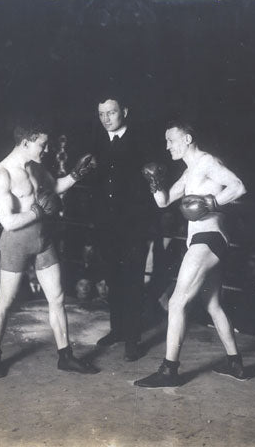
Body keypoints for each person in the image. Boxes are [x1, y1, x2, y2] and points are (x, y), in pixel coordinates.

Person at [134, 119, 247, 388]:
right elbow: (163, 202)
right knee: (213, 305)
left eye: (171, 140)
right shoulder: (189, 173)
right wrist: (155, 183)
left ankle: (169, 369)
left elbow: (239, 186)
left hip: (208, 239)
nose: (167, 146)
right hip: (203, 241)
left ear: (187, 139)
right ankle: (235, 362)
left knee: (176, 302)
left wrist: (212, 202)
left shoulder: (207, 162)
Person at [0, 119, 99, 378]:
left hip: (43, 239)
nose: (46, 150)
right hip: (16, 242)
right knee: (5, 300)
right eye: (42, 145)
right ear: (26, 143)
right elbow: (8, 221)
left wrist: (76, 174)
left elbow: (55, 188)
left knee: (57, 298)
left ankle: (65, 356)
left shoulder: (36, 167)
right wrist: (37, 211)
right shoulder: (0, 175)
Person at [91, 92, 156, 361]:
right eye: (102, 114)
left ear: (125, 112)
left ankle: (132, 338)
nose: (106, 119)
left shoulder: (142, 142)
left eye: (112, 113)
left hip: (134, 226)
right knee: (113, 277)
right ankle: (117, 329)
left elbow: (152, 185)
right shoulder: (96, 142)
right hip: (106, 226)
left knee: (132, 280)